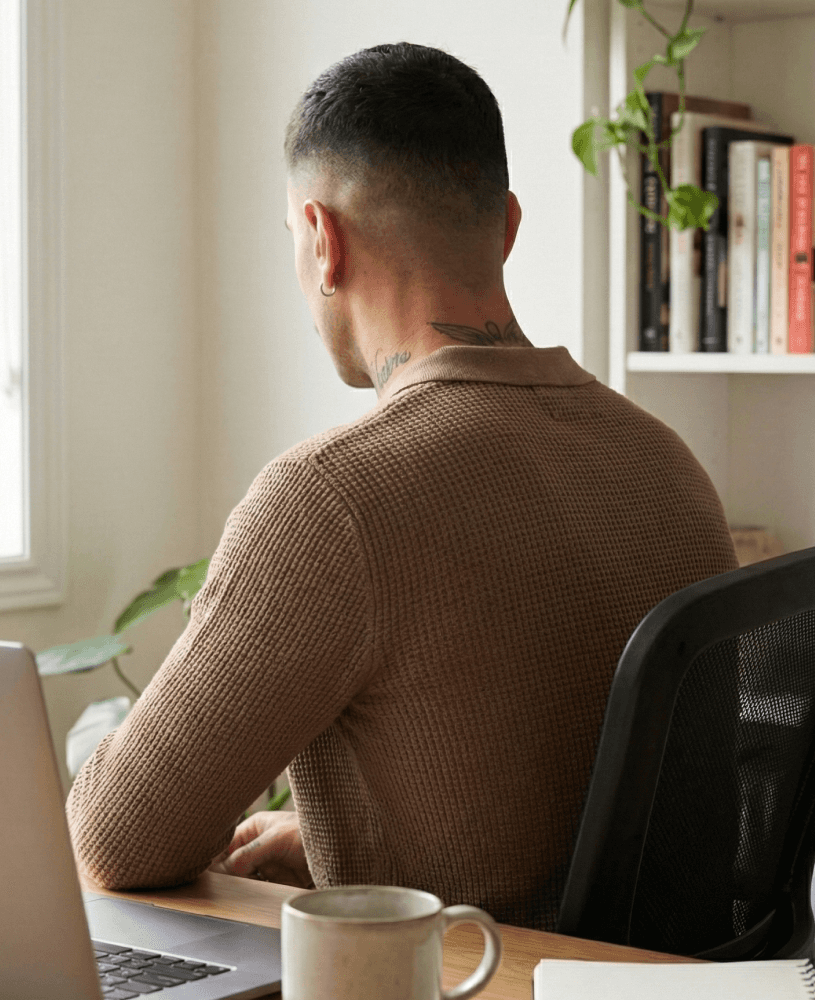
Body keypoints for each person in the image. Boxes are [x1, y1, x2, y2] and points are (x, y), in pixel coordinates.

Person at [65, 42, 737, 930]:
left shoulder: (330, 501)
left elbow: (117, 838)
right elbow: (578, 809)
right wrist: (333, 836)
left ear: (321, 239)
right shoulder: (665, 462)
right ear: (506, 225)